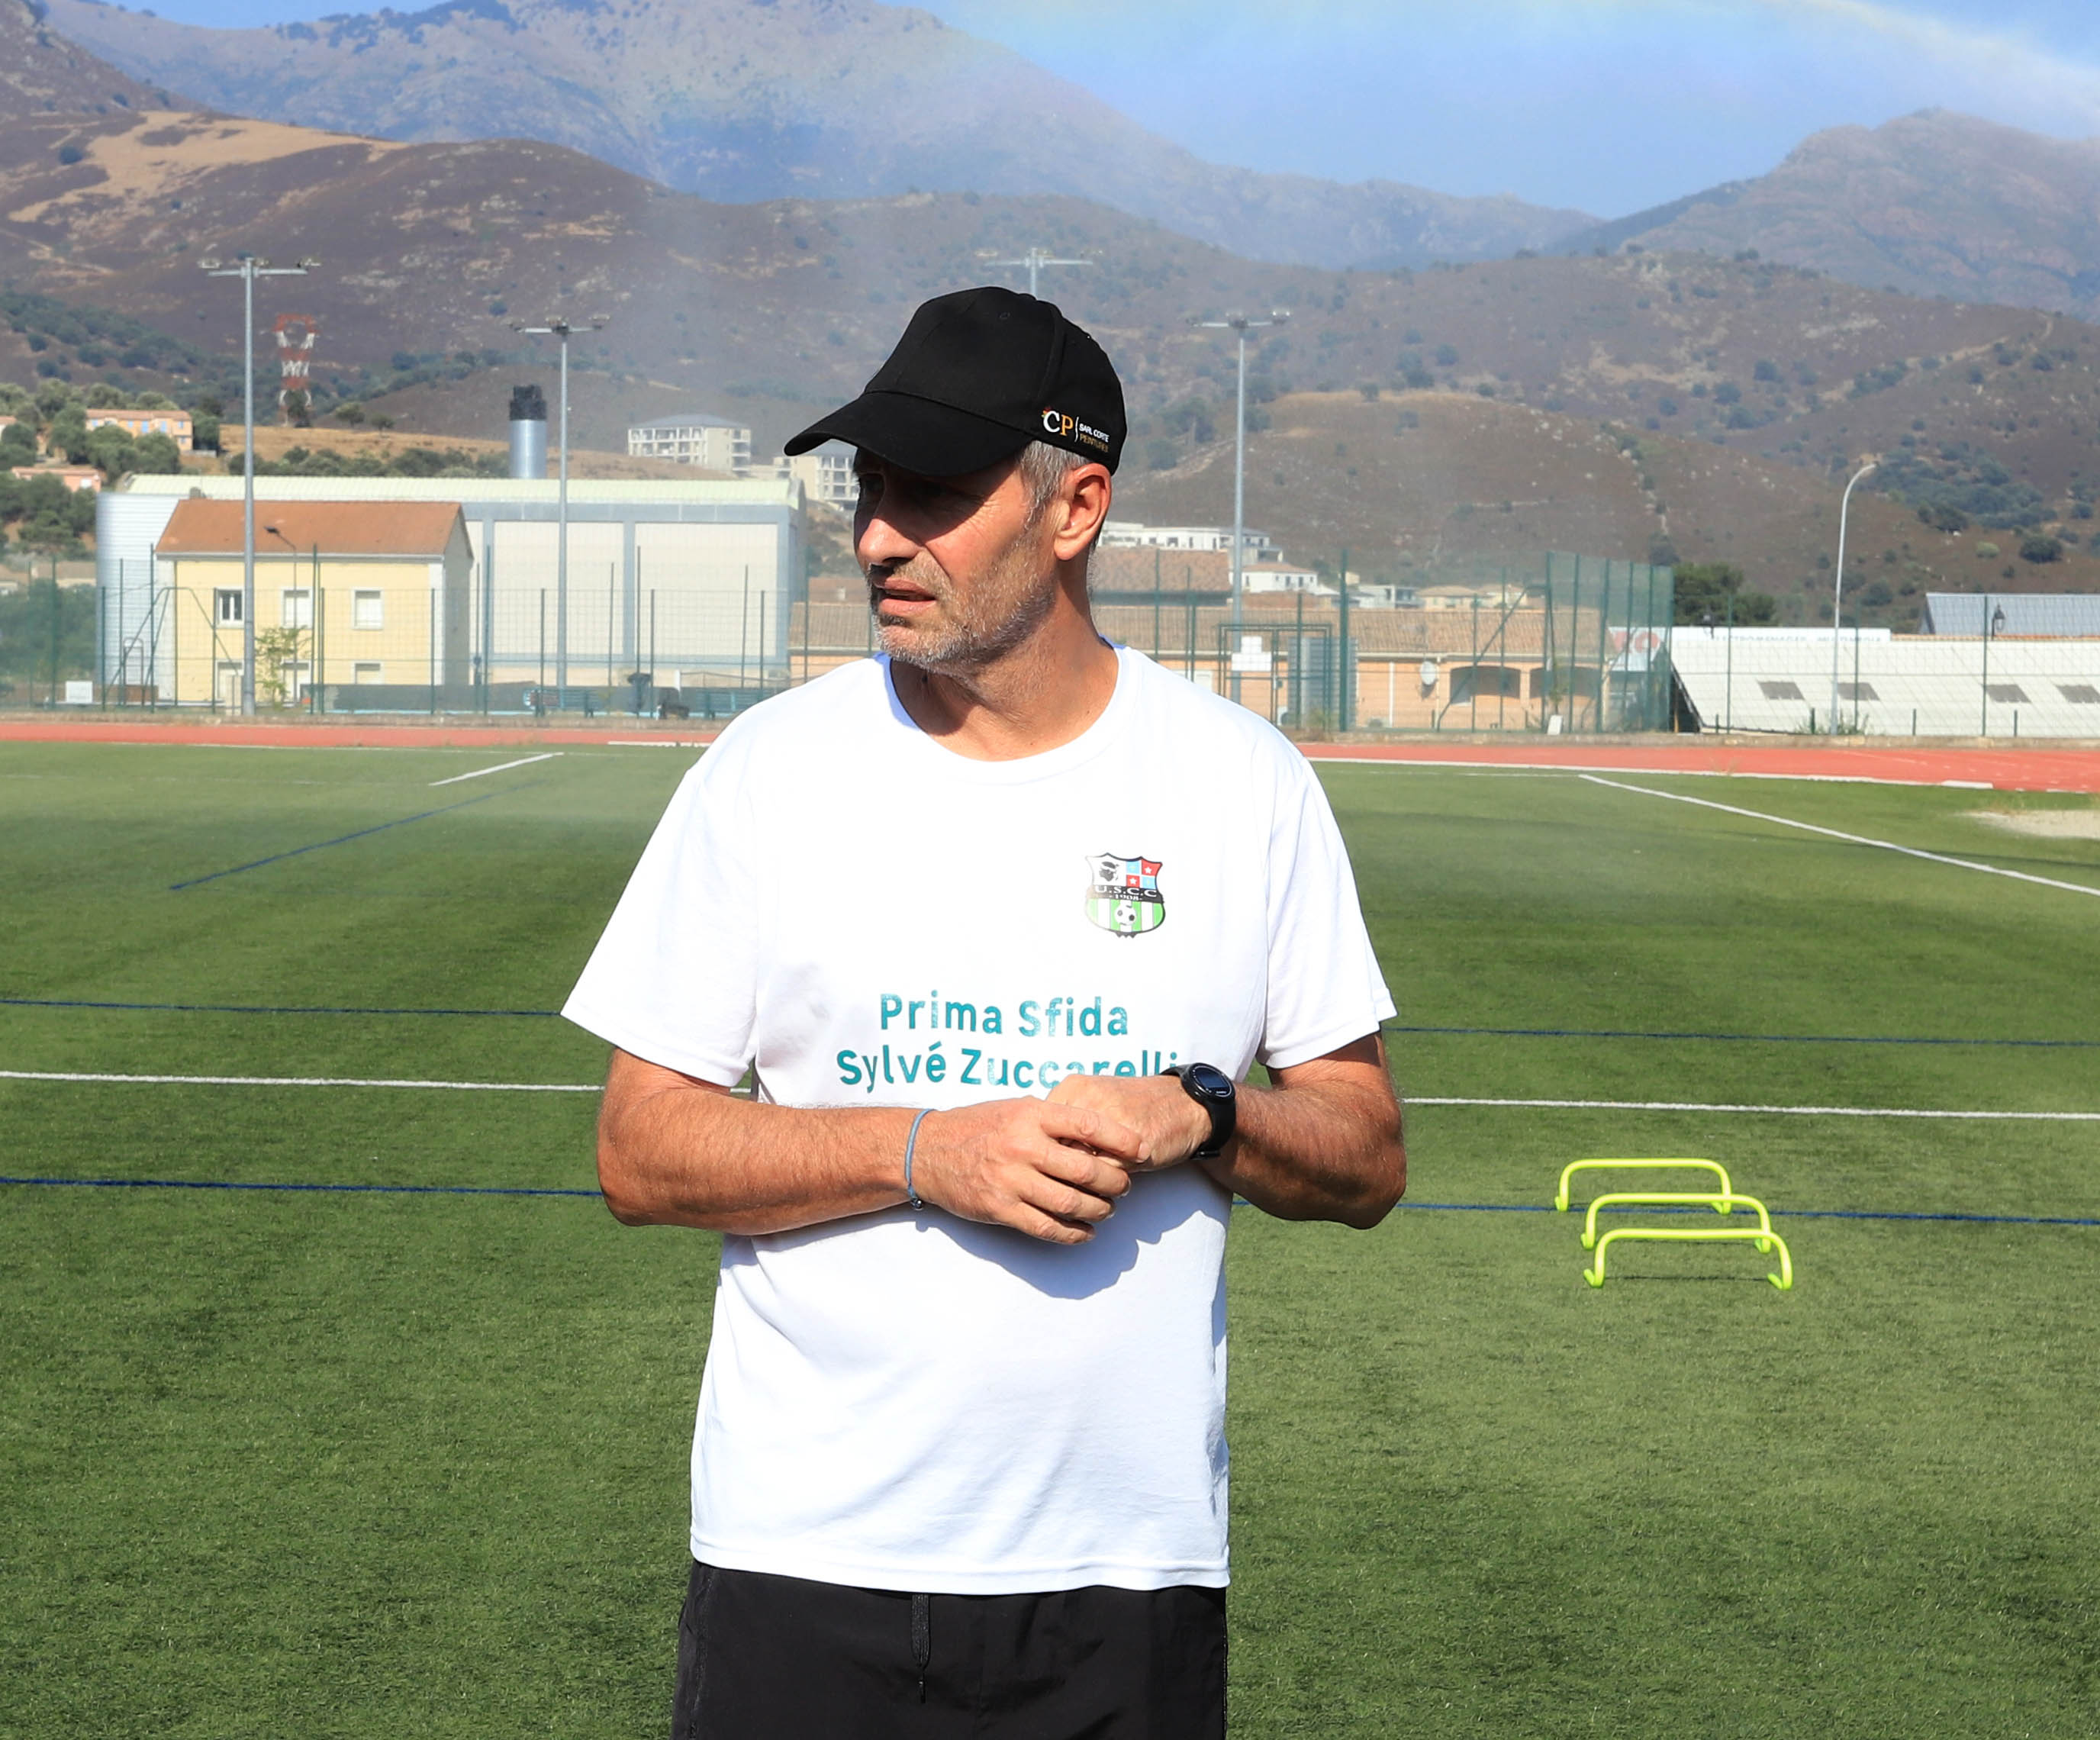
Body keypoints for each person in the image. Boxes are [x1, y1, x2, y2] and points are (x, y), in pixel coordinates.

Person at [562, 285, 1404, 1738]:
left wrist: (1203, 1113)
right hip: (803, 1560)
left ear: (1075, 507)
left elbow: (1365, 1152)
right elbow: (641, 1153)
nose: (882, 536)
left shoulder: (1239, 783)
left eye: (935, 495)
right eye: (869, 491)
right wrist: (921, 1149)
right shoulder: (767, 774)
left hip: (1123, 1578)